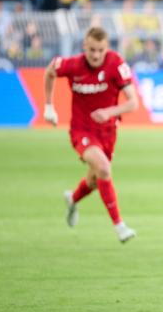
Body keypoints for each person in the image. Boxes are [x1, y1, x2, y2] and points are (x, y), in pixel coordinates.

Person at [43, 26, 139, 243]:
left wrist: (109, 112)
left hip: (108, 132)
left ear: (107, 48)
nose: (96, 55)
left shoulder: (116, 64)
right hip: (81, 130)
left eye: (100, 50)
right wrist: (48, 106)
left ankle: (73, 199)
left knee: (95, 180)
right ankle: (119, 226)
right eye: (92, 50)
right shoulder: (73, 65)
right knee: (104, 168)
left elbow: (133, 103)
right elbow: (50, 71)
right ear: (84, 46)